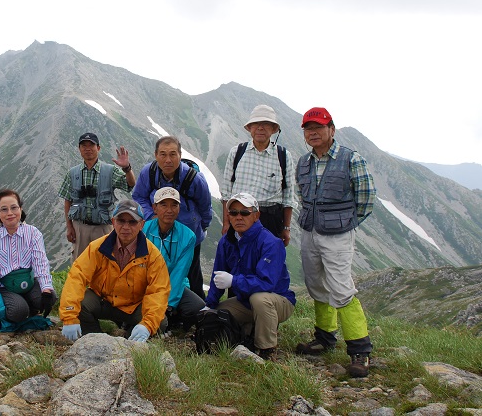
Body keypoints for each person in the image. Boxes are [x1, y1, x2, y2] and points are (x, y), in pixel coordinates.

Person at [294, 107, 376, 378]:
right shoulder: (304, 162)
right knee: (316, 284)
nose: (313, 132)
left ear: (331, 129)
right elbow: (300, 194)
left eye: (318, 127)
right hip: (310, 231)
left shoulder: (351, 159)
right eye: (308, 128)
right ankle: (325, 337)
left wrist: (346, 225)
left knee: (341, 288)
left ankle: (360, 350)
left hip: (338, 235)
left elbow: (366, 198)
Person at [58, 199, 170, 342]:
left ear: (142, 225)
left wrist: (147, 325)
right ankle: (94, 340)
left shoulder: (152, 255)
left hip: (133, 307)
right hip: (103, 301)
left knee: (160, 322)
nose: (126, 227)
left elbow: (158, 291)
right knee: (81, 305)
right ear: (113, 221)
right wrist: (69, 317)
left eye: (132, 222)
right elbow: (77, 277)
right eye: (121, 220)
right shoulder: (97, 247)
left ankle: (130, 339)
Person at [205, 192, 296, 360]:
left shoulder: (271, 242)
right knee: (217, 315)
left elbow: (266, 283)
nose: (239, 217)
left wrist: (233, 281)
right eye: (233, 212)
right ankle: (248, 331)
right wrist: (209, 305)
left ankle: (266, 349)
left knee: (259, 299)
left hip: (279, 300)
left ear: (256, 216)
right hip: (246, 300)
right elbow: (217, 276)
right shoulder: (227, 241)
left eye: (245, 212)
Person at [132, 135, 212, 299]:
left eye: (172, 154)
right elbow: (139, 196)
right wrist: (151, 216)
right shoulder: (149, 172)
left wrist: (201, 228)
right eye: (163, 154)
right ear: (156, 155)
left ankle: (196, 311)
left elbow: (205, 207)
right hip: (157, 232)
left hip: (188, 235)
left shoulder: (193, 178)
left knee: (191, 272)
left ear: (180, 155)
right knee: (156, 268)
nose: (168, 160)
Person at [221, 104, 297, 246]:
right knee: (237, 262)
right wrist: (226, 223)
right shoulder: (237, 152)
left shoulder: (284, 156)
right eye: (255, 124)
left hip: (270, 220)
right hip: (239, 217)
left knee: (267, 262)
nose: (260, 128)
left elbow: (288, 197)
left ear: (274, 129)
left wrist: (286, 228)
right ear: (250, 128)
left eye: (266, 124)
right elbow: (226, 193)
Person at [0, 189, 56, 327]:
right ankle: (20, 307)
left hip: (28, 283)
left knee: (50, 297)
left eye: (14, 208)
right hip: (5, 286)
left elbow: (41, 263)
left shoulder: (33, 233)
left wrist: (46, 289)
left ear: (20, 209)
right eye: (4, 209)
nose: (10, 213)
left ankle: (28, 306)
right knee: (18, 311)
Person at [58, 132, 136, 259]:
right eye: (84, 146)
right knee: (80, 268)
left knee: (106, 265)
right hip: (79, 227)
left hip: (103, 228)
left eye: (91, 145)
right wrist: (69, 227)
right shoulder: (72, 173)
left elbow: (130, 184)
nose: (88, 149)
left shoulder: (110, 171)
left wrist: (127, 168)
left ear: (98, 148)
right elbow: (68, 201)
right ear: (79, 149)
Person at [141, 187, 205, 331]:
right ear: (154, 208)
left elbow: (179, 273)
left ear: (179, 208)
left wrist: (167, 305)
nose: (169, 210)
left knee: (196, 306)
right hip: (146, 283)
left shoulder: (188, 236)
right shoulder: (143, 230)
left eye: (174, 205)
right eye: (164, 205)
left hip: (172, 284)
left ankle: (174, 320)